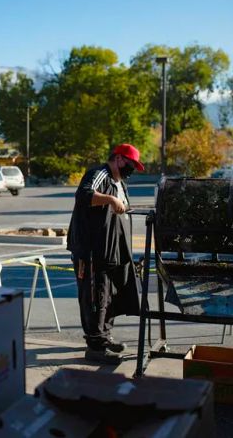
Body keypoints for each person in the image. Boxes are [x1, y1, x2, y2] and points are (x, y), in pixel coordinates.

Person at [66, 143, 144, 364]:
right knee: (94, 296)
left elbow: (123, 209)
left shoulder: (119, 182)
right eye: (130, 164)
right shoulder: (99, 174)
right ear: (119, 159)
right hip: (92, 249)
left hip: (111, 251)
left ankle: (104, 337)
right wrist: (110, 199)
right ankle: (96, 347)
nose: (131, 169)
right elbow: (83, 195)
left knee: (108, 296)